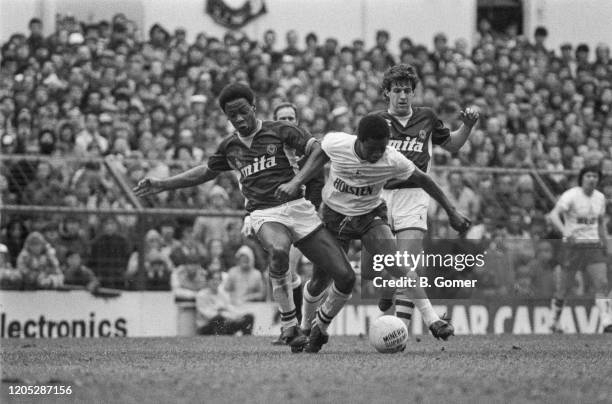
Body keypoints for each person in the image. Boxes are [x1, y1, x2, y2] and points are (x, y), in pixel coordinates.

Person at [134, 83, 355, 353]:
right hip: (263, 213)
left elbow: (320, 152)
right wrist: (163, 184)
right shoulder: (230, 146)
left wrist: (296, 182)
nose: (238, 119)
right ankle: (289, 324)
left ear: (253, 106)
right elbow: (205, 171)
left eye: (241, 111)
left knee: (345, 277)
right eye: (231, 115)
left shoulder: (281, 130)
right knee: (278, 249)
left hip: (299, 209)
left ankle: (319, 325)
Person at [275, 114, 471, 350]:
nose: (378, 153)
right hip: (334, 217)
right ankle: (308, 327)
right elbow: (319, 156)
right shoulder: (337, 142)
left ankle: (434, 321)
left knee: (395, 262)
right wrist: (297, 182)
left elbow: (424, 180)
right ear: (359, 140)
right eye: (373, 149)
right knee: (320, 281)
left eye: (383, 147)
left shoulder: (392, 158)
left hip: (370, 216)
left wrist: (452, 212)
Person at [375, 64, 478, 338]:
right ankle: (388, 284)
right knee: (395, 266)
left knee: (408, 262)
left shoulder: (427, 118)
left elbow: (453, 144)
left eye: (407, 91)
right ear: (386, 93)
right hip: (379, 197)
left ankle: (402, 332)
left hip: (415, 196)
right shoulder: (376, 122)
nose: (402, 96)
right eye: (396, 90)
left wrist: (466, 127)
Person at [267, 102, 325, 345]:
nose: (288, 121)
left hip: (303, 219)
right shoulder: (269, 150)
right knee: (284, 272)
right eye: (283, 118)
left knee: (286, 268)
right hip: (276, 218)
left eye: (292, 117)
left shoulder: (309, 150)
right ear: (275, 122)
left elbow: (317, 185)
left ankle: (292, 327)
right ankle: (297, 325)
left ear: (297, 121)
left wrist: (307, 212)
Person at [548, 166, 612, 333]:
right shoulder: (571, 195)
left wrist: (607, 244)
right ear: (582, 178)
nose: (592, 179)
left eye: (595, 176)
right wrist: (565, 231)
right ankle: (554, 323)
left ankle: (606, 322)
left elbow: (601, 224)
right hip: (573, 247)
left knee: (602, 283)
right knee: (564, 288)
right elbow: (553, 215)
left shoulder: (600, 198)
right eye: (589, 176)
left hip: (592, 246)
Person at [196, 271, 255, 336]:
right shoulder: (201, 295)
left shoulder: (223, 294)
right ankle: (220, 340)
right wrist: (222, 313)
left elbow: (229, 308)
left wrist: (237, 316)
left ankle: (247, 340)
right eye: (212, 279)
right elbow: (207, 314)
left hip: (224, 323)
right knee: (219, 319)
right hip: (207, 326)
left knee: (248, 317)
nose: (215, 282)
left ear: (220, 281)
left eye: (217, 279)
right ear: (207, 281)